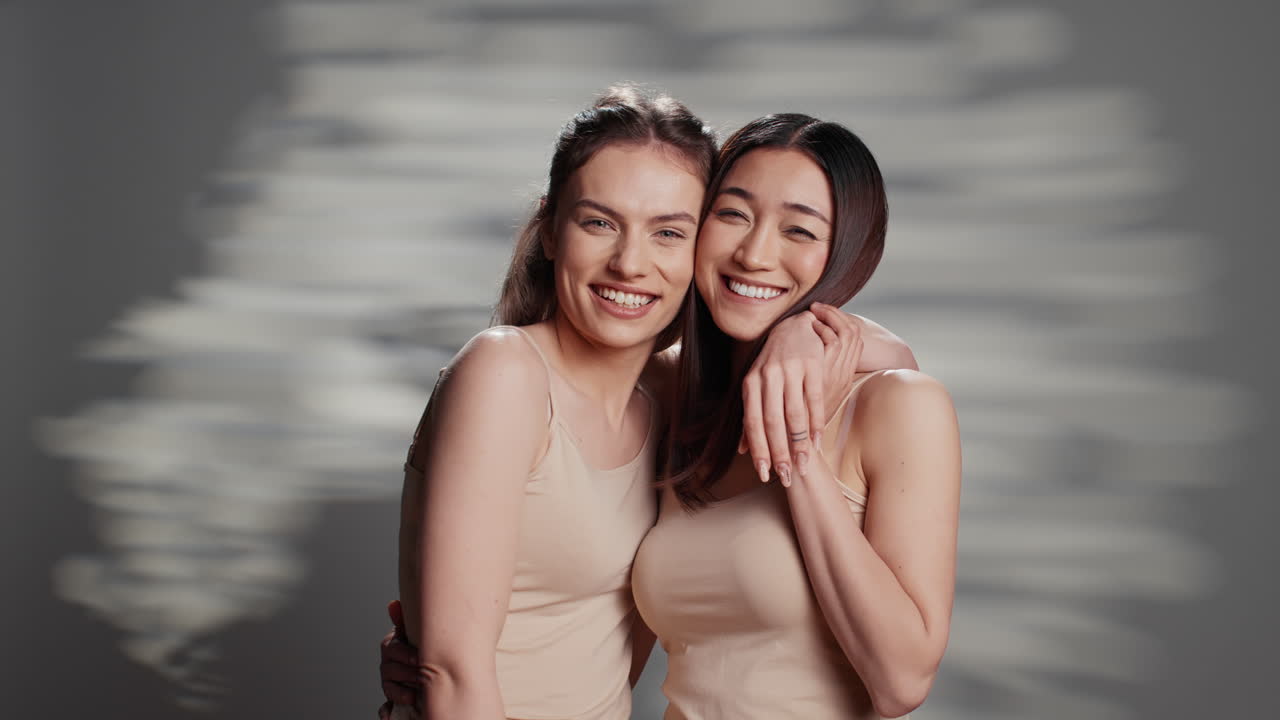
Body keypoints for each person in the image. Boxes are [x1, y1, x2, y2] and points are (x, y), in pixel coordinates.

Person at [383, 88, 917, 720]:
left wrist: (798, 332)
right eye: (599, 223)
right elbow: (452, 675)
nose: (630, 264)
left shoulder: (667, 396)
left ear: (696, 249)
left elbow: (899, 360)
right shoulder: (504, 372)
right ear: (550, 231)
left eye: (667, 232)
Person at [633, 114, 962, 719]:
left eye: (800, 230)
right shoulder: (675, 400)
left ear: (850, 254)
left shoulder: (899, 406)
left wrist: (799, 447)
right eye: (733, 214)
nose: (754, 254)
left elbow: (901, 683)